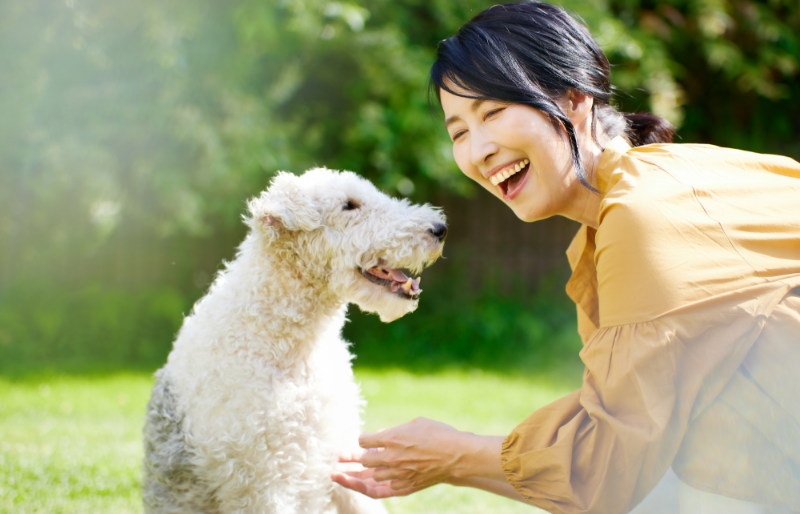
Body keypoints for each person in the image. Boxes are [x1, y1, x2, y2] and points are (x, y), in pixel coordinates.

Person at [332, 2, 800, 513]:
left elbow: (608, 468)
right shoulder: (617, 217)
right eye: (459, 131)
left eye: (493, 112)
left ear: (575, 98)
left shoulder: (647, 217)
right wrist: (456, 459)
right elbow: (623, 457)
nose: (479, 150)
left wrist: (458, 455)